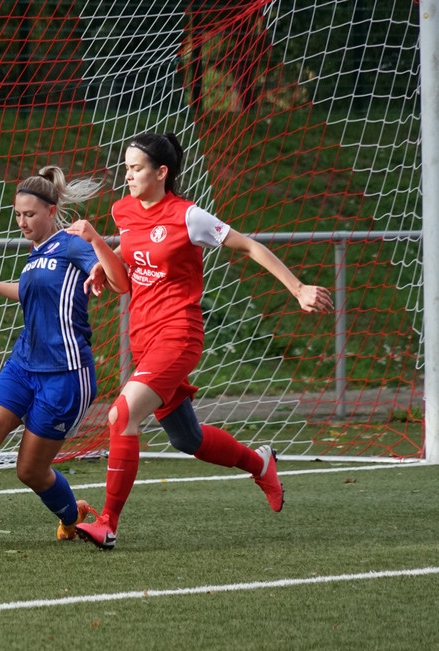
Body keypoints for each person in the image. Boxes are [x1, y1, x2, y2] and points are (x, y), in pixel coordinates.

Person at [66, 133, 333, 550]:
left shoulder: (189, 216)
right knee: (186, 439)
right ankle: (260, 464)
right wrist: (104, 262)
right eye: (126, 167)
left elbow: (249, 246)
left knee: (121, 415)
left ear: (161, 172)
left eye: (136, 168)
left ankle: (107, 523)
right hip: (143, 337)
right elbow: (130, 263)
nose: (127, 175)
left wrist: (298, 289)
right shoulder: (123, 210)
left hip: (178, 335)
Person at [0, 165, 129, 547]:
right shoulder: (37, 251)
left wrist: (100, 261)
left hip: (65, 373)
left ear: (51, 211)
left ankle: (72, 515)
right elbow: (31, 292)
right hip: (23, 364)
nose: (22, 222)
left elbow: (114, 280)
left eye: (30, 214)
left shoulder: (71, 244)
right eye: (18, 214)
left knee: (29, 470)